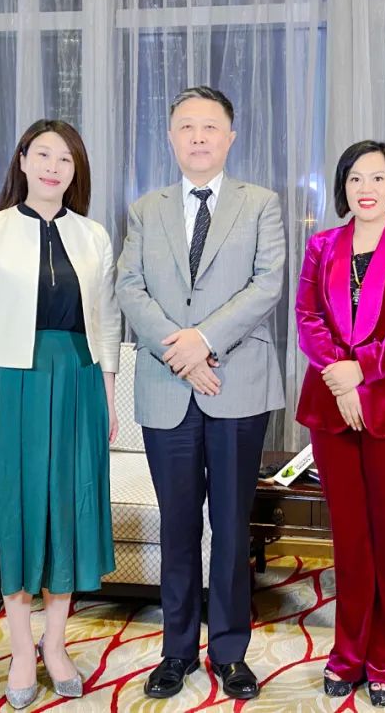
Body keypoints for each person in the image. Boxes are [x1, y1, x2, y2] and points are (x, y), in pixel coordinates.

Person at [116, 86, 286, 701]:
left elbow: (267, 284)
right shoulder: (146, 209)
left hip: (237, 383)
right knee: (179, 525)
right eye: (186, 126)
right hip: (168, 385)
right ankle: (178, 650)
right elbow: (129, 287)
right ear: (170, 137)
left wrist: (204, 341)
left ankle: (231, 652)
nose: (197, 136)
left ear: (230, 136)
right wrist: (181, 352)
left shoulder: (261, 204)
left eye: (209, 126)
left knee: (232, 527)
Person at [0, 119, 121, 709]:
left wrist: (107, 399)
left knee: (67, 511)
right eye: (44, 155)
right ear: (23, 160)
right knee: (17, 511)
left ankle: (56, 642)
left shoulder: (94, 236)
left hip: (78, 382)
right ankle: (22, 647)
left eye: (66, 159)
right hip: (11, 384)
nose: (54, 167)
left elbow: (106, 323)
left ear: (76, 171)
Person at [294, 140, 385, 707]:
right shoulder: (321, 246)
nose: (366, 188)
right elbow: (307, 317)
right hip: (331, 408)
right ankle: (348, 654)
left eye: (377, 177)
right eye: (355, 178)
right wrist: (340, 379)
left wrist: (360, 372)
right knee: (350, 540)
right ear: (343, 187)